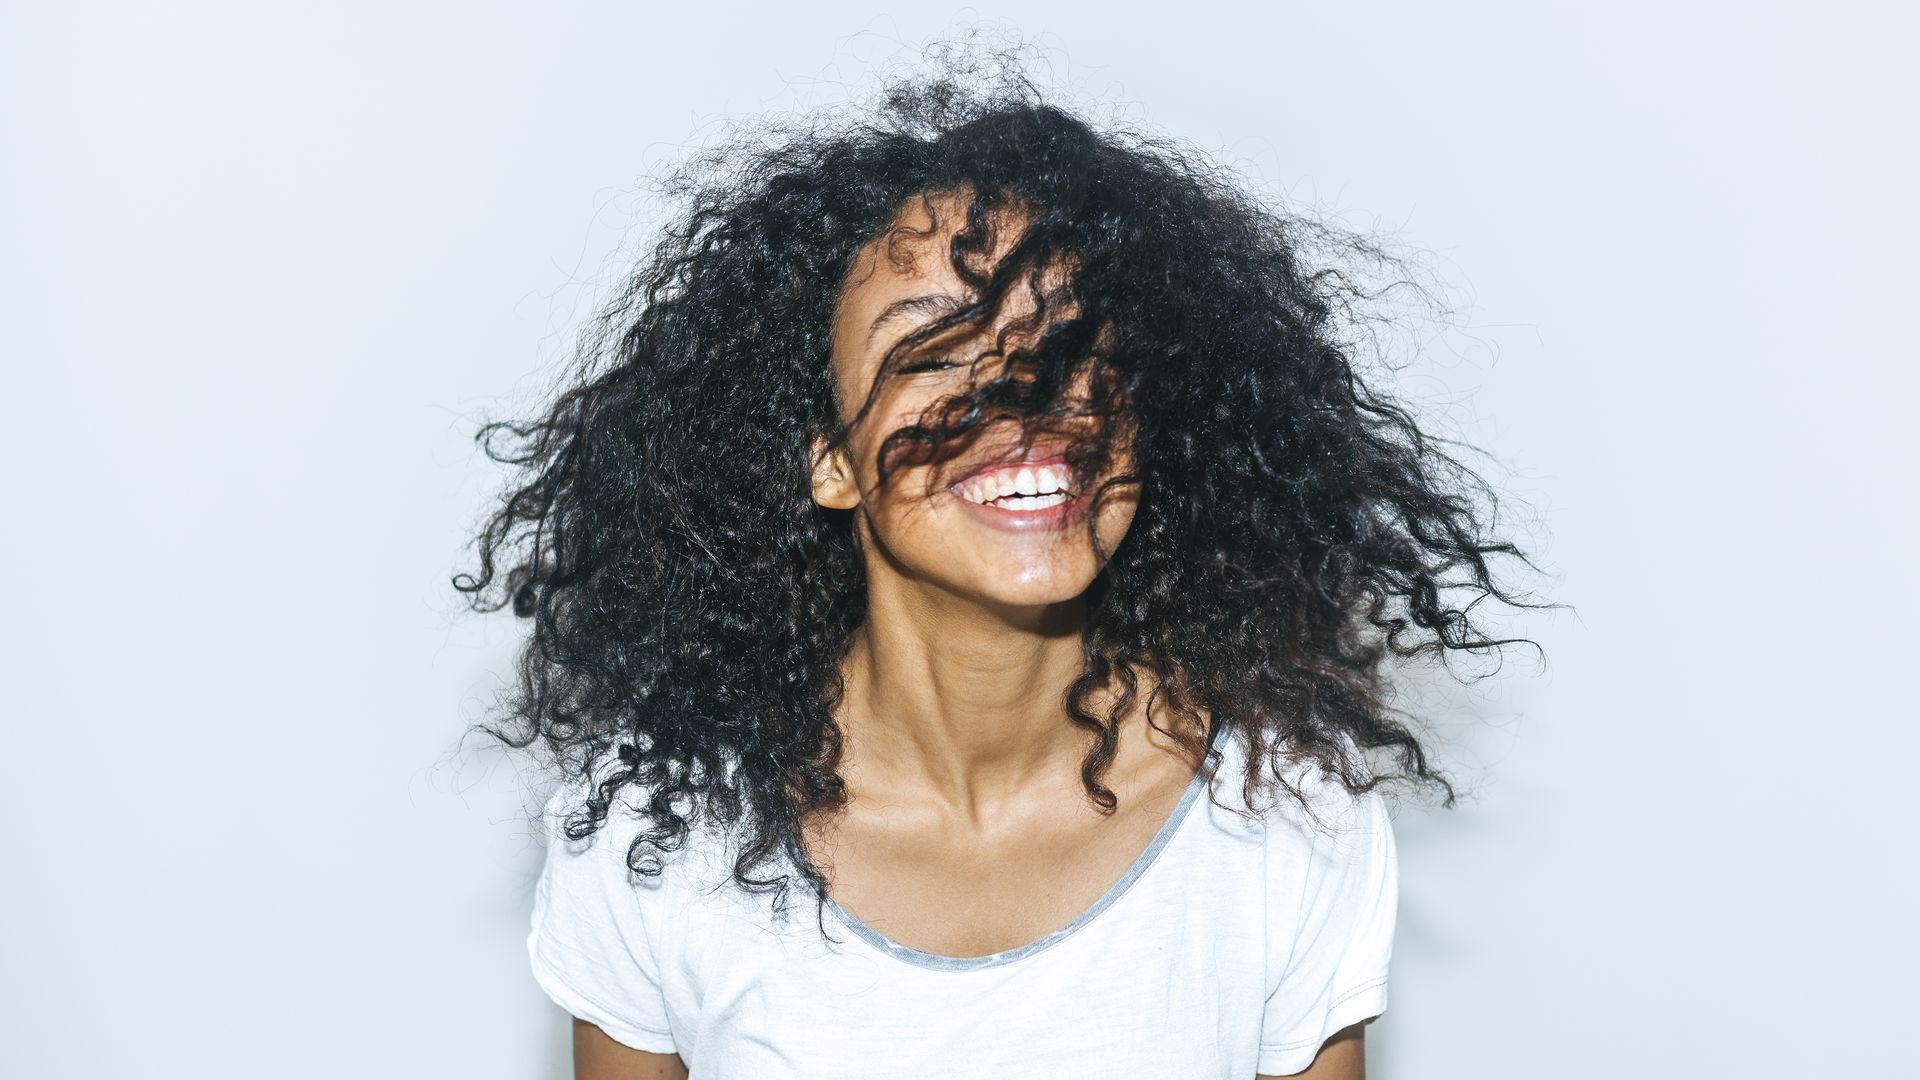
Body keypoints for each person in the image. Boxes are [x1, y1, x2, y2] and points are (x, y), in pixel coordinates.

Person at [456, 55, 1535, 1080]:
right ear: (829, 460)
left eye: (1064, 340)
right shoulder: (660, 832)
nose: (1021, 397)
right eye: (931, 347)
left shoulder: (1287, 814)